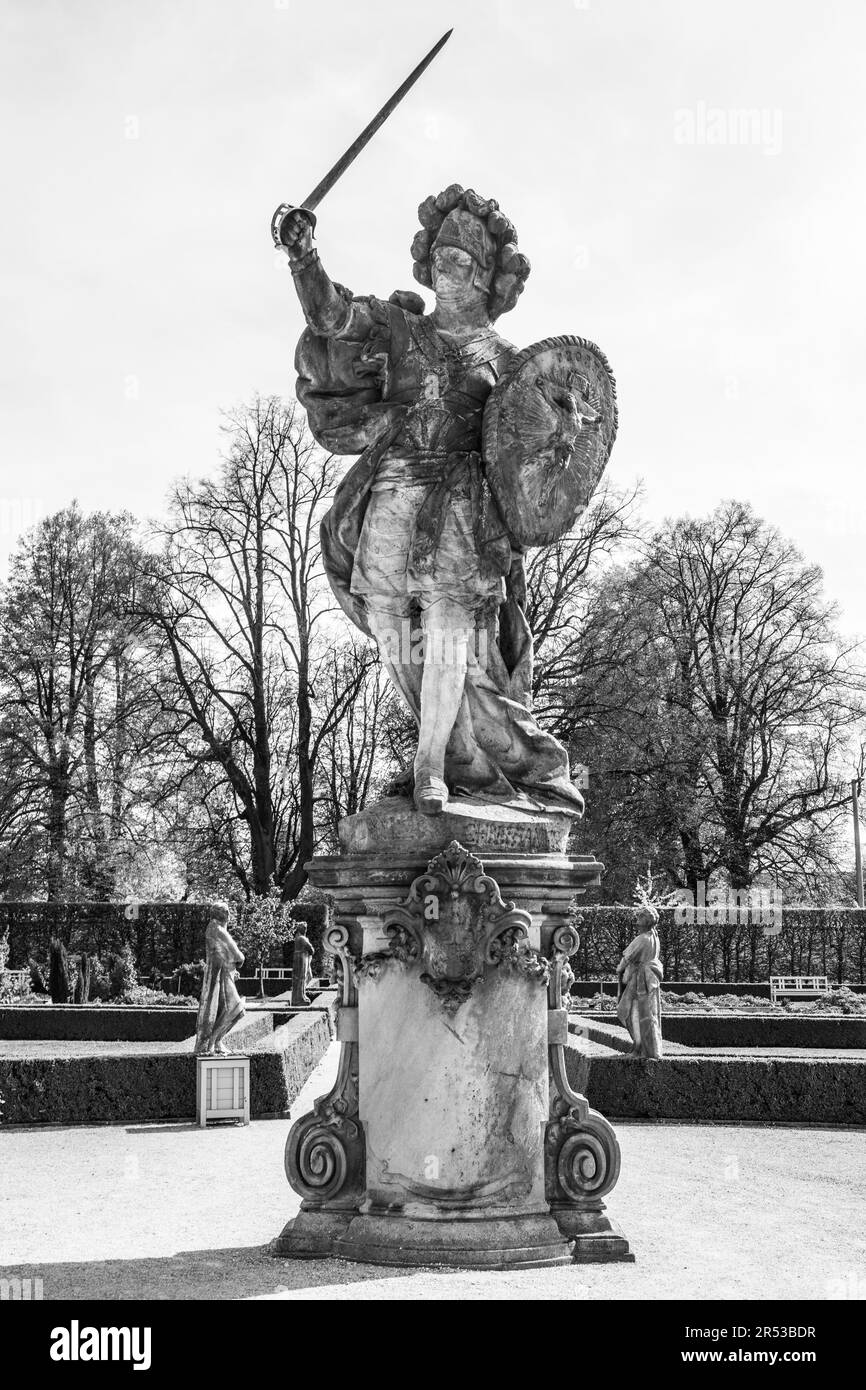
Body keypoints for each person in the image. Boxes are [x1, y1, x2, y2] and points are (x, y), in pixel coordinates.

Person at [278, 184, 585, 818]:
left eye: (462, 259)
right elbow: (332, 319)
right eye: (441, 254)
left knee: (446, 628)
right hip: (393, 487)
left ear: (487, 277)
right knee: (390, 621)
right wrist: (304, 258)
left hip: (463, 506)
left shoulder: (510, 362)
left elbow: (536, 448)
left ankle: (428, 770)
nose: (447, 266)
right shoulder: (397, 328)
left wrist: (566, 431)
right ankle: (449, 750)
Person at [194, 903, 245, 1056]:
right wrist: (239, 959)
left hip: (222, 975)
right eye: (227, 912)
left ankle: (216, 1042)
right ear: (222, 914)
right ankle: (213, 1042)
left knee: (228, 1010)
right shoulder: (217, 929)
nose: (229, 915)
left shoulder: (213, 928)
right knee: (235, 1008)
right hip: (221, 977)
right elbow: (237, 954)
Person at [615, 905, 664, 1058]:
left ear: (645, 920)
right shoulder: (654, 936)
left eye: (639, 918)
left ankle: (639, 1048)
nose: (636, 922)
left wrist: (620, 968)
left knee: (631, 1013)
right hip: (649, 979)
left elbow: (626, 959)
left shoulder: (642, 938)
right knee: (647, 1014)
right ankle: (645, 1049)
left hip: (640, 981)